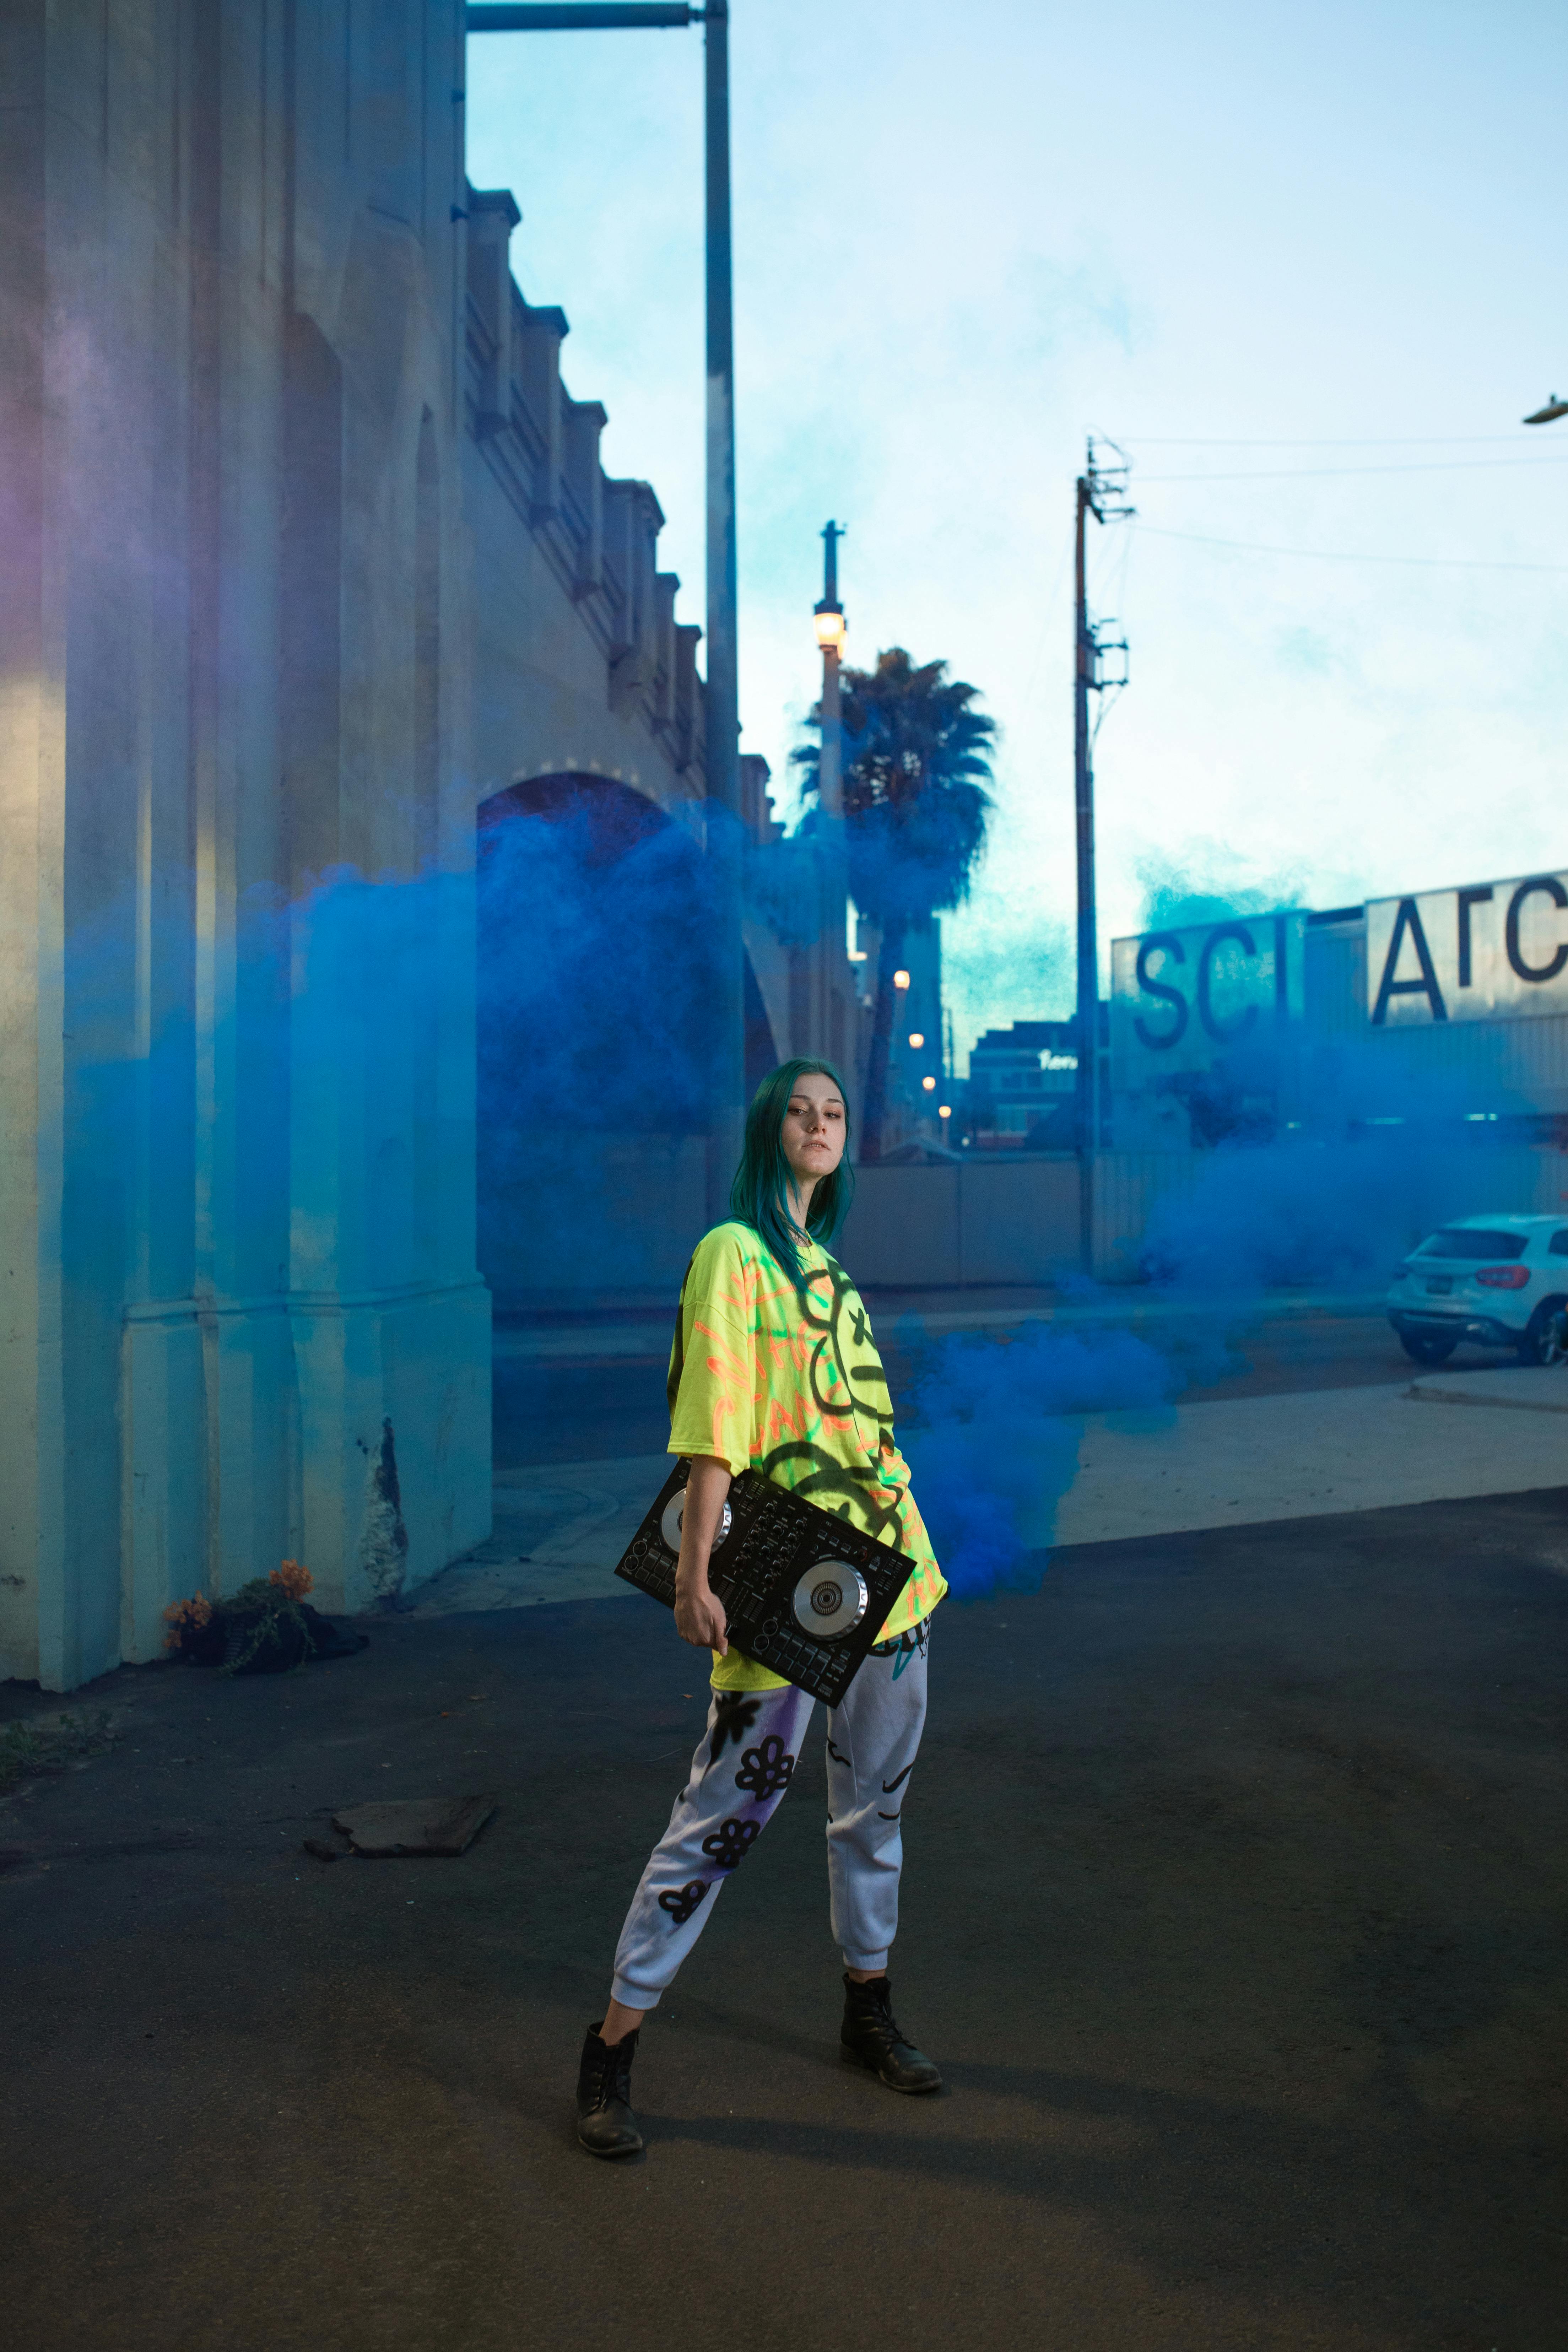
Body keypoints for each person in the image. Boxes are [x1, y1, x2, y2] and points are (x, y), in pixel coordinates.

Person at [575, 1059, 948, 2159]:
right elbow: (715, 1422)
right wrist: (697, 1573)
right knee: (723, 1818)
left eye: (835, 1113)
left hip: (891, 1576)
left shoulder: (833, 1271)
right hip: (786, 1575)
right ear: (766, 1128)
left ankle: (867, 2010)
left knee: (872, 1813)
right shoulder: (732, 1255)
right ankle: (612, 2049)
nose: (821, 1124)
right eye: (801, 1109)